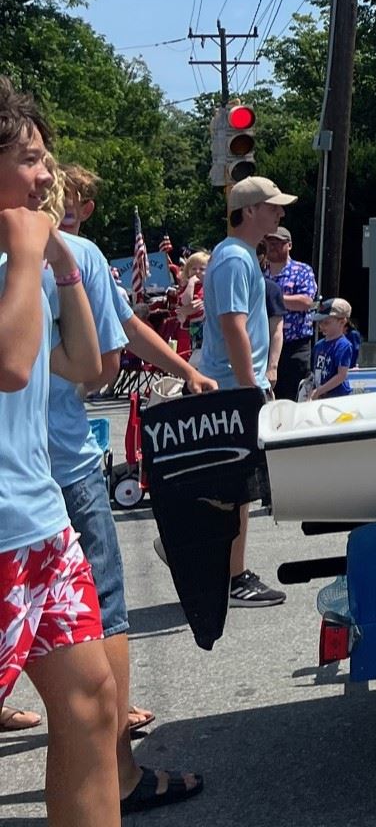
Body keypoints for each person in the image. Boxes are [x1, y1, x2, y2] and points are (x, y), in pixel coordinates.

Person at [44, 160, 205, 811]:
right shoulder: (72, 258)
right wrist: (185, 374)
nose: (80, 209)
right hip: (62, 465)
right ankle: (119, 771)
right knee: (98, 616)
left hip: (21, 472)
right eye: (75, 197)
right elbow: (104, 362)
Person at [0, 77, 120, 825]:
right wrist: (24, 259)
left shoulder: (32, 258)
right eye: (31, 159)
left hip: (41, 524)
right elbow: (11, 365)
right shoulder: (15, 260)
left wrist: (61, 267)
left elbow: (88, 365)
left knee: (93, 706)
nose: (49, 176)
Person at [202, 174, 297, 608]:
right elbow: (234, 326)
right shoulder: (235, 259)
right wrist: (249, 388)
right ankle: (233, 577)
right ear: (250, 211)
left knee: (232, 487)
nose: (280, 212)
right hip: (234, 388)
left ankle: (198, 549)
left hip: (232, 385)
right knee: (238, 489)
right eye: (273, 205)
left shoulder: (236, 255)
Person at [263, 226, 317, 403]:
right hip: (266, 345)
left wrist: (274, 298)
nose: (273, 247)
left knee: (294, 396)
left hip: (295, 346)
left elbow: (305, 302)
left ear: (289, 245)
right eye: (270, 243)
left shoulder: (302, 271)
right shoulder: (260, 274)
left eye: (278, 243)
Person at [309, 300, 358, 400]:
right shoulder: (318, 345)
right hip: (320, 396)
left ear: (342, 322)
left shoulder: (343, 345)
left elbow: (341, 376)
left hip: (338, 398)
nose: (321, 326)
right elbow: (314, 371)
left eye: (326, 322)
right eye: (320, 322)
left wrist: (319, 390)